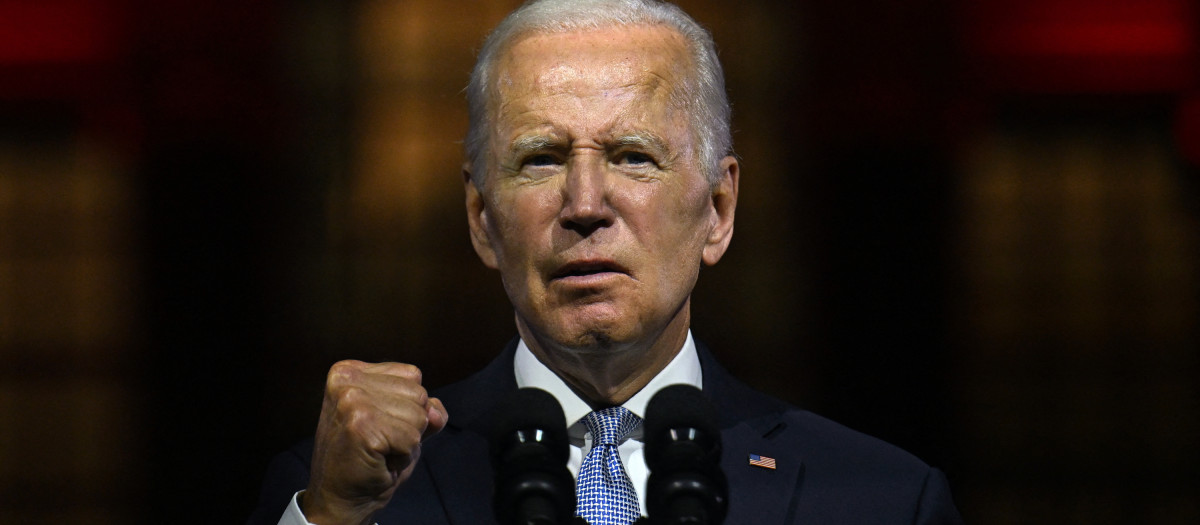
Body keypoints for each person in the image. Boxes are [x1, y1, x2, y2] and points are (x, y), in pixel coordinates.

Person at [248, 1, 964, 524]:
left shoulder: (881, 499)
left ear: (718, 210)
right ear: (480, 220)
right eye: (541, 159)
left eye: (632, 156)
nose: (585, 203)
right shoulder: (348, 491)